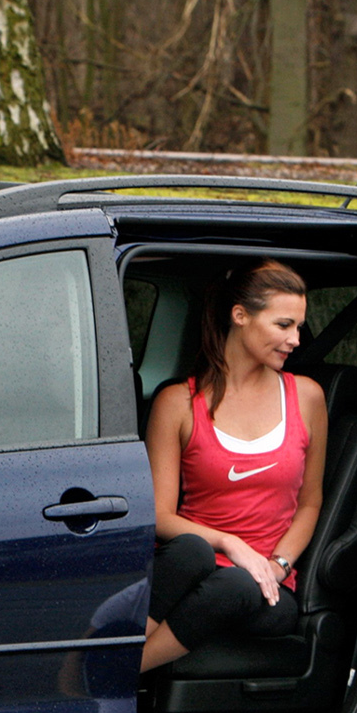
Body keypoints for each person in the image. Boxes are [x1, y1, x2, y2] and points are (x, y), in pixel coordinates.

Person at [142, 259, 327, 674]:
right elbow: (159, 516)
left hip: (265, 587)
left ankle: (109, 673)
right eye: (284, 325)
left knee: (236, 583)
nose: (296, 340)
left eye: (299, 327)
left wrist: (277, 566)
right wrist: (229, 543)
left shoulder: (307, 397)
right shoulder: (178, 403)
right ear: (240, 316)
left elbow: (310, 503)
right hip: (195, 565)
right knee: (191, 552)